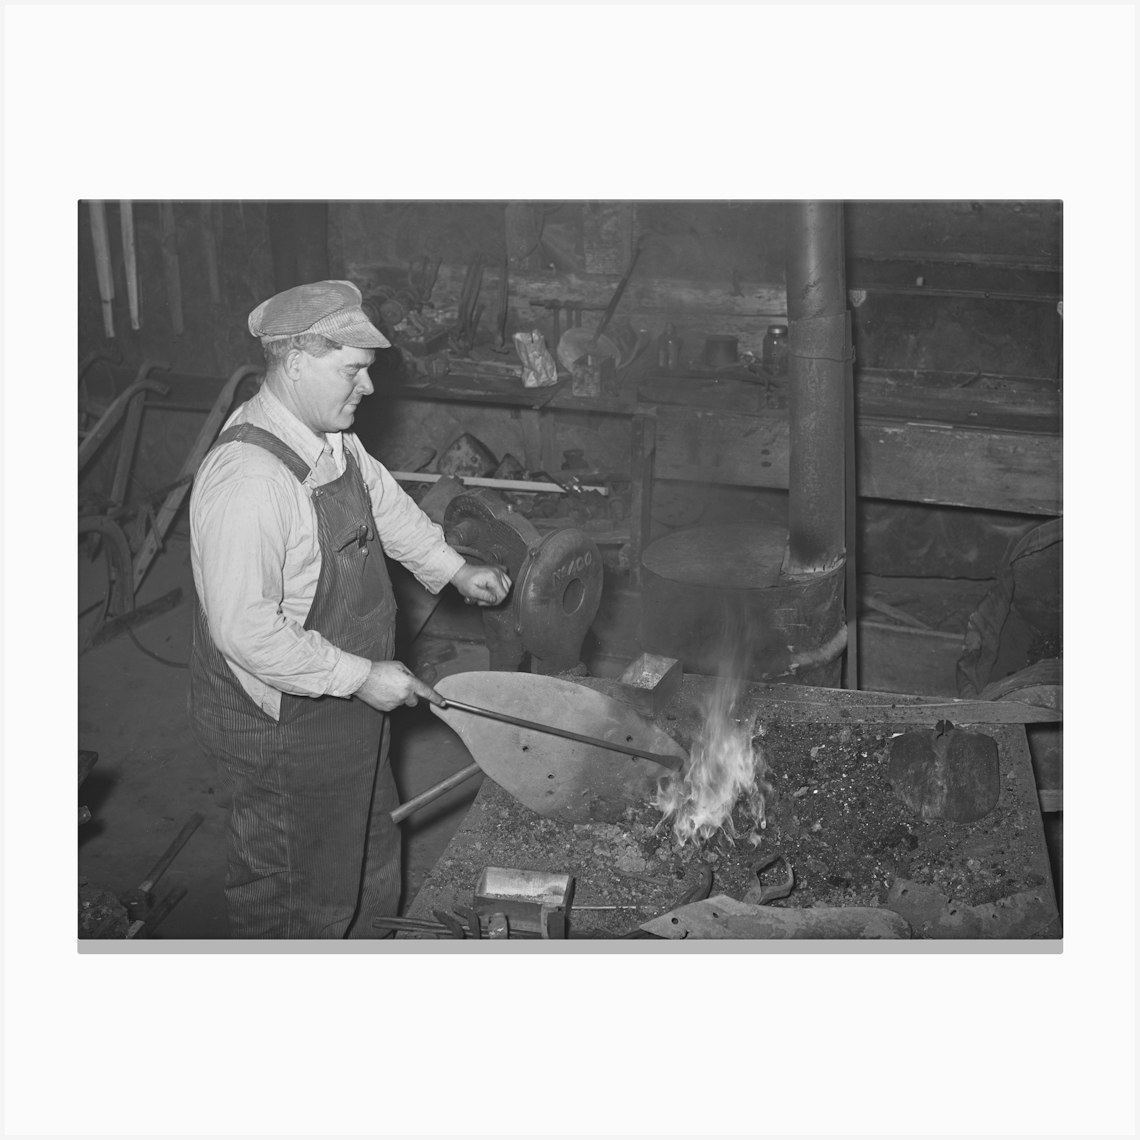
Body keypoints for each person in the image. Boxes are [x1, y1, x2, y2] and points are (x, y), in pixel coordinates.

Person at [188, 280, 510, 939]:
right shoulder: (251, 481)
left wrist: (453, 569)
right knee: (293, 897)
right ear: (300, 362)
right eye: (354, 372)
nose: (367, 389)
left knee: (365, 861)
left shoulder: (329, 439)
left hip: (345, 710)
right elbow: (246, 631)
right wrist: (362, 676)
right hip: (281, 728)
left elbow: (386, 507)